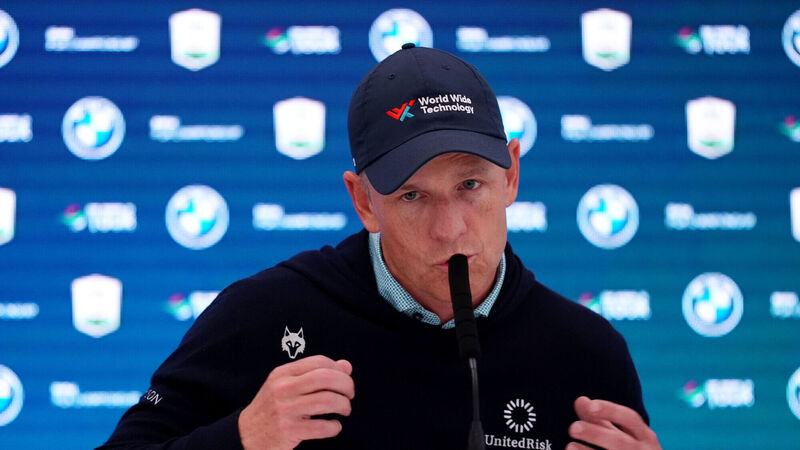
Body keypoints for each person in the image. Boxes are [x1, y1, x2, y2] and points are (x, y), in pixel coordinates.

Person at [99, 44, 661, 450]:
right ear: (363, 201)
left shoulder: (588, 353)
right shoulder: (264, 316)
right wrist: (242, 437)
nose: (450, 229)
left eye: (470, 185)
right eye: (413, 195)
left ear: (511, 175)